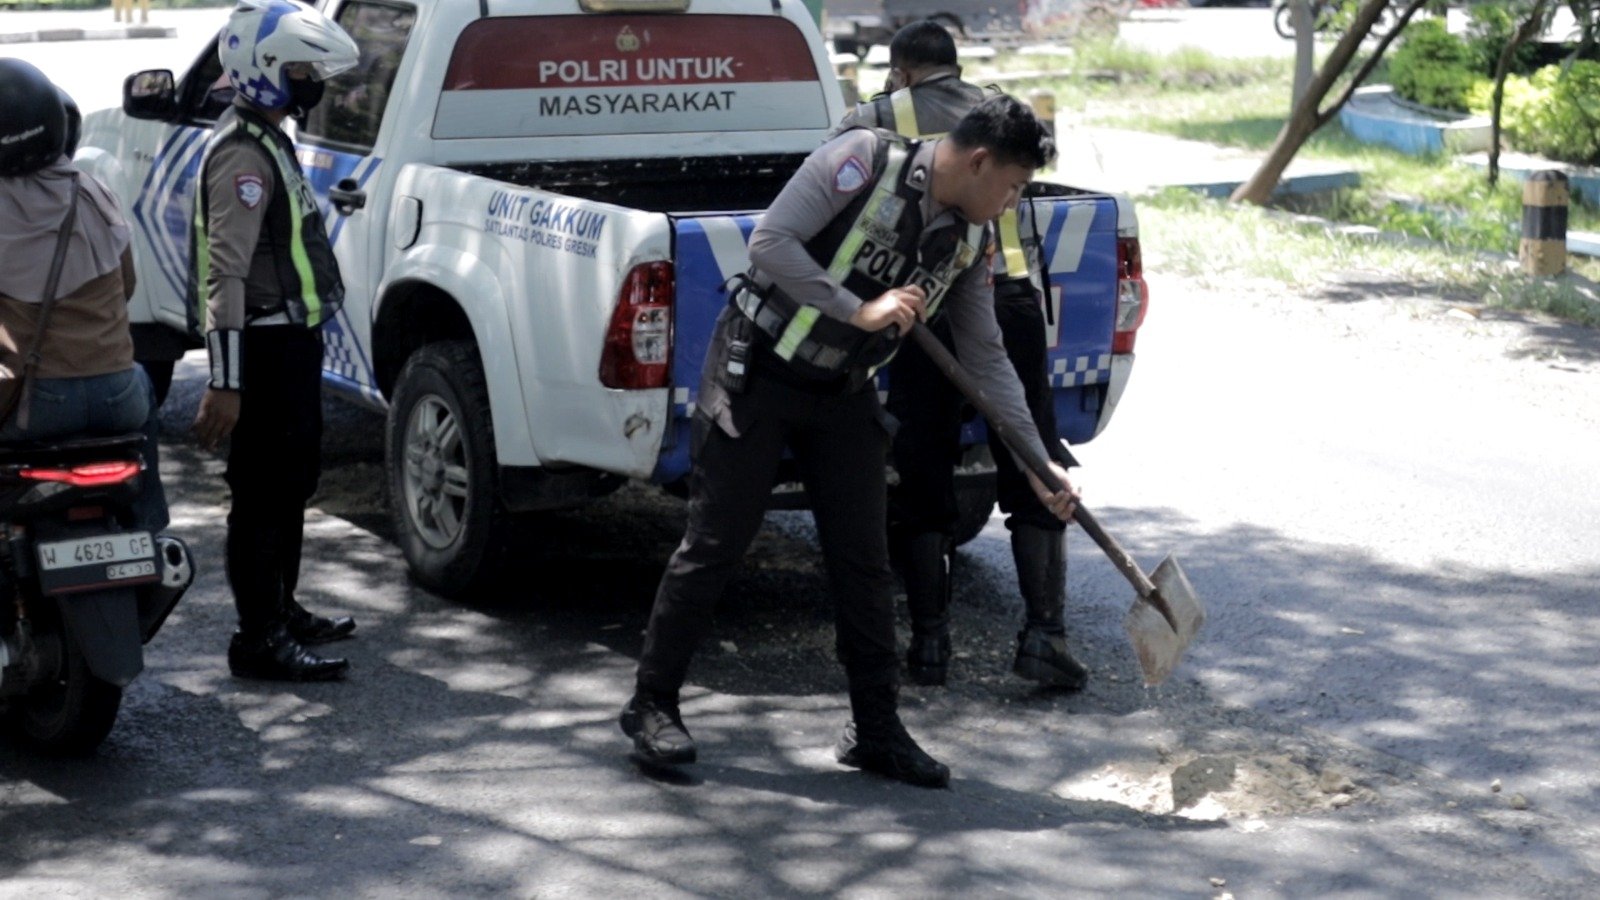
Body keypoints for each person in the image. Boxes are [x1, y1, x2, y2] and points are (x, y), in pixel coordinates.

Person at [620, 95, 1077, 789]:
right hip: (759, 373)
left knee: (864, 563)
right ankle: (652, 704)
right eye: (1013, 186)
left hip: (844, 394)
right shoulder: (861, 159)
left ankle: (875, 729)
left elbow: (986, 361)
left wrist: (1037, 463)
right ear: (980, 161)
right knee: (716, 542)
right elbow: (770, 242)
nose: (1012, 203)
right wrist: (856, 308)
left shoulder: (971, 240)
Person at [842, 21, 1089, 692]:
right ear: (956, 66)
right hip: (1008, 299)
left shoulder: (872, 116)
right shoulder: (1002, 112)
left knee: (924, 462)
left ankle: (929, 645)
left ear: (902, 71)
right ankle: (1045, 634)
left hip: (927, 305)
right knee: (1031, 449)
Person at [188, 0, 360, 682]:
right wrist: (226, 381)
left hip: (291, 342)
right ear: (263, 72)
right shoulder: (241, 156)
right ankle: (258, 638)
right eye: (299, 68)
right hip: (261, 350)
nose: (311, 80)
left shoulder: (267, 137)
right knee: (261, 494)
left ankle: (281, 608)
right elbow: (224, 274)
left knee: (291, 483)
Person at [0, 58, 168, 537]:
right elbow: (127, 286)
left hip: (38, 403)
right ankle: (149, 526)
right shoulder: (94, 193)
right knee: (143, 381)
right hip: (119, 394)